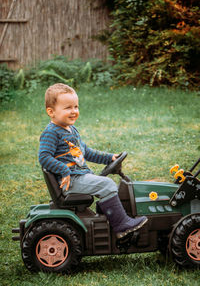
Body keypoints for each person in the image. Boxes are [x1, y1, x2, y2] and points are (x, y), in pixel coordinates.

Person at [39, 83, 148, 239]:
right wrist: (64, 170)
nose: (74, 111)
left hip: (79, 176)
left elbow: (85, 152)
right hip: (70, 182)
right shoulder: (51, 133)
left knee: (105, 185)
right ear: (51, 112)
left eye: (76, 107)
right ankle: (122, 225)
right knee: (108, 184)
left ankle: (108, 217)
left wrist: (109, 157)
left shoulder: (71, 130)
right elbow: (44, 158)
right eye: (68, 108)